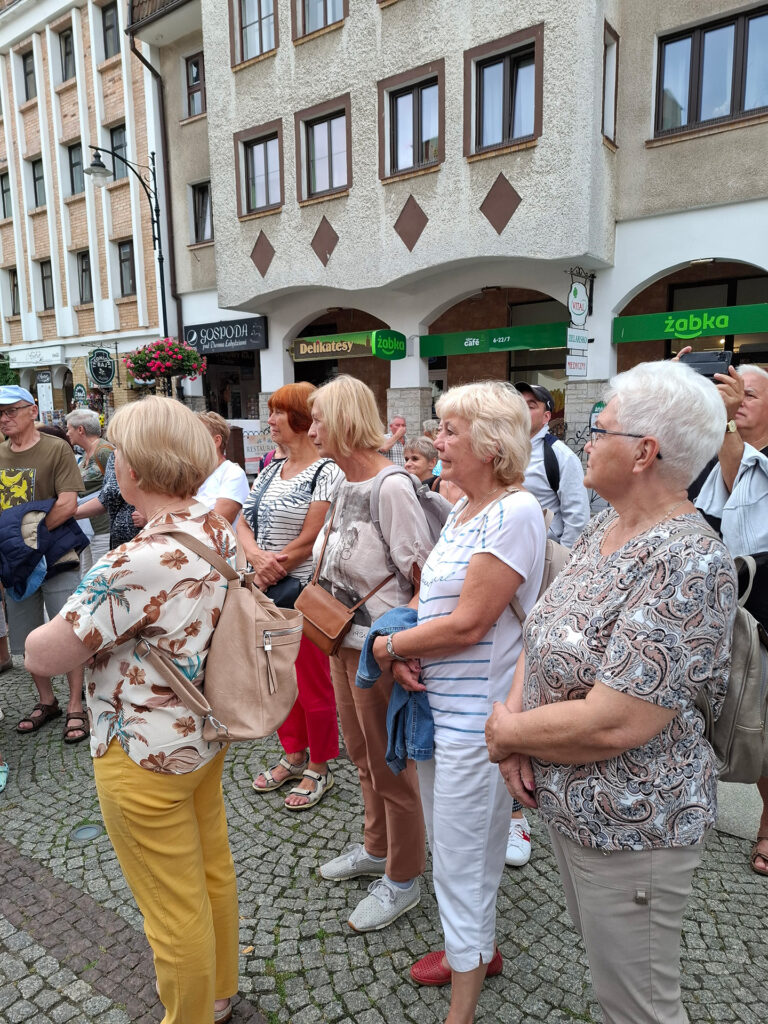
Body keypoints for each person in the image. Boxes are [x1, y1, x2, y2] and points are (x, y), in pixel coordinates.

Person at [486, 360, 737, 1024]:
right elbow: (542, 629)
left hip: (634, 824)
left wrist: (507, 733)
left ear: (644, 452)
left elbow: (618, 720)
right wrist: (517, 735)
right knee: (612, 982)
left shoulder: (689, 561)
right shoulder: (608, 525)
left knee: (638, 1004)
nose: (586, 441)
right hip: (575, 807)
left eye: (599, 429)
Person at [24, 396, 240, 1024]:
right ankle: (219, 991)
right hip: (200, 733)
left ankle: (191, 1015)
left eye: (117, 453)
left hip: (140, 750)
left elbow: (43, 653)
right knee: (211, 872)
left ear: (136, 469)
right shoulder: (213, 526)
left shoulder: (133, 560)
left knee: (171, 910)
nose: (112, 461)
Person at [372, 381, 546, 1022]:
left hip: (478, 724)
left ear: (492, 444)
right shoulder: (466, 508)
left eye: (449, 430)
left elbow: (470, 623)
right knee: (457, 852)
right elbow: (432, 600)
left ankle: (463, 1005)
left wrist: (388, 647)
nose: (435, 441)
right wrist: (406, 639)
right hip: (437, 714)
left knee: (463, 861)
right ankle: (471, 949)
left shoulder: (515, 512)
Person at [308, 375, 433, 931]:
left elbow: (423, 576)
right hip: (340, 640)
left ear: (343, 421)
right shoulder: (342, 482)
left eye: (318, 418)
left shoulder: (391, 486)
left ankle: (403, 878)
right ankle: (376, 847)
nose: (311, 429)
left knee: (391, 767)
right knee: (362, 756)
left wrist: (403, 648)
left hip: (378, 650)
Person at [239, 382, 340, 810]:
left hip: (303, 594)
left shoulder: (326, 471)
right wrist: (254, 557)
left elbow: (313, 536)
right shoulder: (269, 469)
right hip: (265, 591)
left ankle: (320, 764)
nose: (270, 421)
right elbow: (242, 521)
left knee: (312, 684)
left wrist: (269, 567)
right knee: (278, 681)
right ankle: (294, 754)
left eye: (278, 412)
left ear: (300, 418)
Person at [695, 362, 768, 876]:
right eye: (731, 391)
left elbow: (741, 463)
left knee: (762, 726)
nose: (738, 400)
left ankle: (767, 826)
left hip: (764, 609)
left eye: (750, 395)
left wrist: (723, 421)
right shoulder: (717, 454)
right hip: (719, 608)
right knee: (707, 718)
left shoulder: (741, 454)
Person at [0, 386, 89, 744]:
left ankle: (75, 705)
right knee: (27, 636)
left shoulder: (56, 449)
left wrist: (27, 540)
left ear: (32, 411)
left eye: (11, 410)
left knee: (68, 630)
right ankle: (47, 701)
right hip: (15, 563)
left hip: (55, 557)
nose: (4, 418)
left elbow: (68, 504)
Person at [514, 382, 590, 546]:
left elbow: (577, 518)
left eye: (531, 406)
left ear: (546, 417)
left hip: (543, 553)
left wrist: (564, 557)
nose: (521, 410)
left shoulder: (562, 456)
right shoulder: (501, 451)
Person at [66, 409, 114, 571]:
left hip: (103, 529)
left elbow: (119, 486)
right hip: (88, 528)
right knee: (86, 575)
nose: (67, 433)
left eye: (69, 428)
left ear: (80, 430)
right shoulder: (88, 453)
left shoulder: (104, 451)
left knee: (100, 575)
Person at [75, 451, 143, 551]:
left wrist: (151, 516)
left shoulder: (105, 452)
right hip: (119, 543)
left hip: (145, 540)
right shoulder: (114, 455)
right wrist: (70, 514)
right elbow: (106, 498)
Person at [196, 412, 249, 525]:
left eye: (197, 437)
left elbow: (218, 523)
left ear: (216, 441)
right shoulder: (191, 475)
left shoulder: (232, 474)